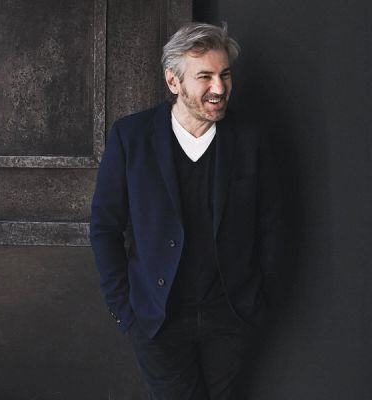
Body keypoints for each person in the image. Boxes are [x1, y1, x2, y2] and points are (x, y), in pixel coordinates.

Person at [90, 22, 282, 400]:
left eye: (225, 74)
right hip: (157, 318)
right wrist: (125, 310)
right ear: (173, 81)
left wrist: (260, 299)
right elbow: (104, 227)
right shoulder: (130, 136)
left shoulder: (250, 139)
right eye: (205, 76)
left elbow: (272, 223)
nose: (219, 88)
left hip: (231, 316)